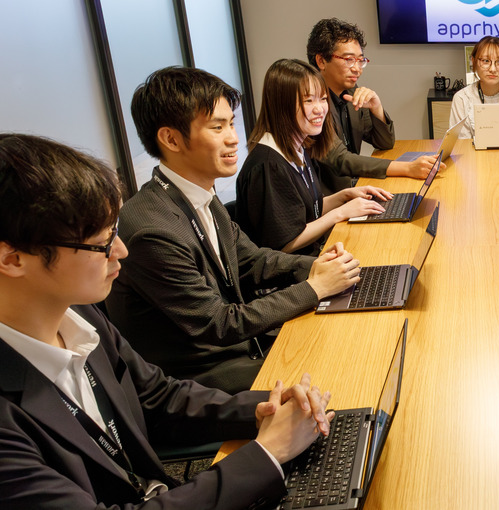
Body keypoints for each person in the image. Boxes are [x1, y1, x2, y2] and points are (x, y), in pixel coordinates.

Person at [0, 133, 334, 509]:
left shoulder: (76, 313)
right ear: (12, 259)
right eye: (102, 242)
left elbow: (158, 396)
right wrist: (267, 452)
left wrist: (262, 410)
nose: (121, 250)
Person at [106, 66, 362, 394]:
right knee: (347, 372)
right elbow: (220, 324)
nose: (233, 138)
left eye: (231, 124)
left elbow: (254, 261)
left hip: (240, 350)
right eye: (217, 127)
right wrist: (315, 288)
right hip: (204, 379)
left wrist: (317, 267)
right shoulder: (151, 229)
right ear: (170, 138)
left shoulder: (200, 195)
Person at [236, 58, 391, 257]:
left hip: (311, 261)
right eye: (309, 100)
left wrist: (345, 196)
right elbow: (283, 244)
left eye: (323, 99)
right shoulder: (269, 164)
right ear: (280, 105)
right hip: (290, 278)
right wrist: (341, 212)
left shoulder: (298, 146)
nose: (320, 109)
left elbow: (308, 209)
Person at [307, 18, 442, 190]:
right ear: (321, 61)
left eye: (360, 60)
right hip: (329, 200)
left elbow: (384, 143)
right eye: (349, 60)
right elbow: (341, 160)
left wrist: (376, 108)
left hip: (357, 188)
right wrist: (406, 168)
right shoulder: (311, 104)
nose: (357, 68)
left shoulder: (351, 93)